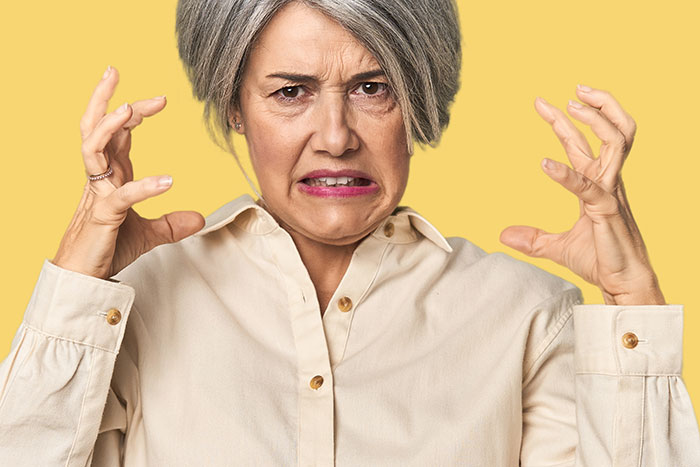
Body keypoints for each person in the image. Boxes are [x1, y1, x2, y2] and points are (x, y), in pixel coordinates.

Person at [1, 0, 699, 465]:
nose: (335, 137)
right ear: (234, 107)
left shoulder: (524, 315)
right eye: (290, 91)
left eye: (373, 87)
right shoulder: (136, 304)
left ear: (418, 96)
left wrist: (631, 296)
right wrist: (78, 284)